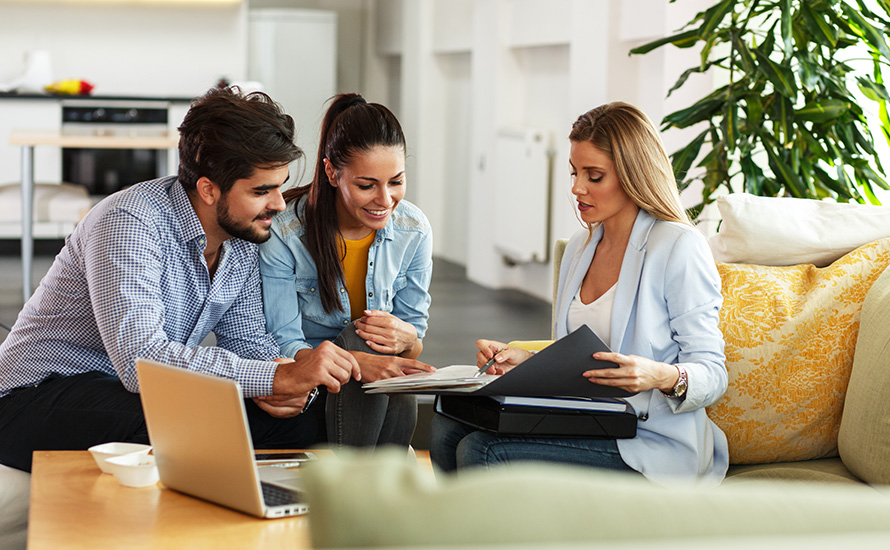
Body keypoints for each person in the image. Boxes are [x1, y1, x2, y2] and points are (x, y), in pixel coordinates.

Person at [0, 87, 360, 472]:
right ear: (208, 189)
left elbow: (248, 340)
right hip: (35, 395)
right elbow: (142, 360)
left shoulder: (239, 240)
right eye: (261, 190)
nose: (278, 203)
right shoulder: (129, 222)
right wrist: (274, 376)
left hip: (126, 393)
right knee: (189, 420)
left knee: (301, 422)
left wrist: (291, 387)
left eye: (279, 185)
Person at [430, 102, 729, 485]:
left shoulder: (678, 247)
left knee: (481, 449)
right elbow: (578, 361)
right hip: (588, 422)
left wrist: (659, 375)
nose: (576, 187)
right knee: (446, 429)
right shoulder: (579, 247)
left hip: (650, 441)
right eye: (575, 172)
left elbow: (713, 373)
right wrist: (528, 361)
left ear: (632, 175)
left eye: (594, 175)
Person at [260, 93, 434, 449]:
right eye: (366, 185)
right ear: (332, 173)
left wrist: (408, 340)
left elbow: (412, 341)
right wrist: (358, 361)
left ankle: (371, 483)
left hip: (376, 390)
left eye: (396, 182)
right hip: (312, 384)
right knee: (362, 338)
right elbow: (284, 341)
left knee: (383, 346)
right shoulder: (285, 231)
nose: (385, 200)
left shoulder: (414, 229)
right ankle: (375, 481)